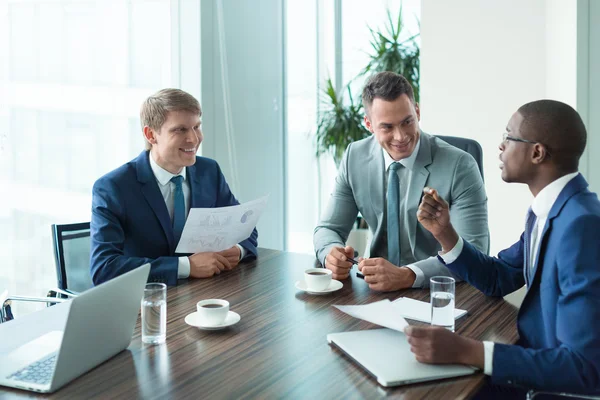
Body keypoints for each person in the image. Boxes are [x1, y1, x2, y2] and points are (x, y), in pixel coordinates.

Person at [407, 100, 600, 396]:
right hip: (531, 367)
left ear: (537, 152)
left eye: (508, 136)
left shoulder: (581, 226)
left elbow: (583, 367)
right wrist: (445, 233)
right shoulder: (548, 211)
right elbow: (500, 277)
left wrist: (470, 351)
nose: (500, 146)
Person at [313, 71, 489, 291]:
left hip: (439, 290)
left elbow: (476, 252)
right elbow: (327, 229)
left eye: (407, 122)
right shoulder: (354, 157)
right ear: (369, 124)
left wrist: (407, 275)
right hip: (373, 288)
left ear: (417, 111)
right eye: (387, 127)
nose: (401, 136)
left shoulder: (460, 165)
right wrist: (331, 253)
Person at [90, 88, 258, 286]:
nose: (194, 139)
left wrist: (237, 251)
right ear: (151, 134)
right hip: (146, 304)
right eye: (180, 129)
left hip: (204, 296)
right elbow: (104, 268)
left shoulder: (208, 171)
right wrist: (186, 266)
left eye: (196, 127)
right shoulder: (113, 187)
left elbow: (245, 230)